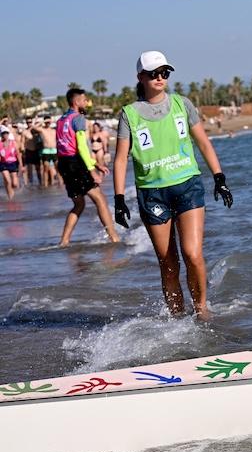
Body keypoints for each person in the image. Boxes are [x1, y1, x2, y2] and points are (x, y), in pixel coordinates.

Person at [113, 50, 234, 321]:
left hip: (187, 186)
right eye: (153, 73)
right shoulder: (129, 114)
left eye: (164, 73)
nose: (160, 78)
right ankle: (177, 319)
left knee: (192, 254)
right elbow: (120, 159)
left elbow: (203, 143)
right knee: (168, 264)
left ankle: (201, 310)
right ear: (140, 77)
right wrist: (119, 199)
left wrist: (219, 178)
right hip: (152, 194)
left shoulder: (182, 104)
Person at [55, 88, 120, 246]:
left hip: (63, 163)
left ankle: (64, 241)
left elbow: (65, 146)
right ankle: (114, 238)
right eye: (84, 100)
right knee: (100, 199)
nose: (86, 103)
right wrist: (92, 170)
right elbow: (82, 146)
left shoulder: (61, 120)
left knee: (79, 204)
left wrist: (95, 163)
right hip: (75, 163)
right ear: (76, 102)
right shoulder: (78, 118)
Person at [32, 116, 60, 186]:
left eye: (49, 122)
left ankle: (60, 185)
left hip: (54, 150)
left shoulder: (54, 130)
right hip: (46, 151)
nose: (48, 123)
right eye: (46, 122)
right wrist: (42, 121)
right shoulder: (42, 130)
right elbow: (33, 127)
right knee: (46, 169)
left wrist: (51, 120)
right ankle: (45, 185)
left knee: (58, 169)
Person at [0, 130, 21, 200]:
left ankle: (11, 192)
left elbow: (18, 154)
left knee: (15, 184)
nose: (5, 135)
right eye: (3, 134)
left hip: (13, 163)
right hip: (3, 164)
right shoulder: (0, 144)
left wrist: (21, 165)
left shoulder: (13, 143)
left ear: (8, 134)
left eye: (6, 133)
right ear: (1, 135)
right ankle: (10, 199)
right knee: (8, 181)